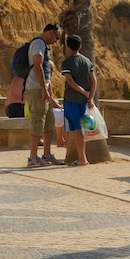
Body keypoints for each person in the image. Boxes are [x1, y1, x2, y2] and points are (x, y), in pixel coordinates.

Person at [25, 23, 63, 167]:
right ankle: (33, 157)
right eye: (57, 37)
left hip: (42, 88)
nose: (56, 41)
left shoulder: (42, 45)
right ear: (51, 32)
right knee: (37, 122)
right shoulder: (38, 44)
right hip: (36, 88)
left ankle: (46, 154)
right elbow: (37, 66)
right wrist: (43, 88)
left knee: (48, 122)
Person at [60, 34, 96, 167]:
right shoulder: (88, 62)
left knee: (76, 129)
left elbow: (70, 82)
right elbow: (94, 81)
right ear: (80, 47)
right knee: (83, 128)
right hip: (84, 101)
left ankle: (82, 158)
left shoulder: (67, 63)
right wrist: (90, 97)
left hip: (72, 99)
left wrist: (83, 92)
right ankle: (81, 156)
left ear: (68, 47)